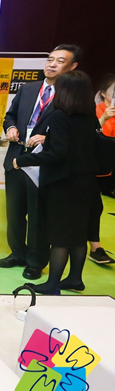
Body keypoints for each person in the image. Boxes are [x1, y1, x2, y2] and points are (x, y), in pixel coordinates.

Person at [0, 45, 81, 280]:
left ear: (72, 66)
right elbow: (10, 115)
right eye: (50, 59)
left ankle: (35, 261)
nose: (52, 64)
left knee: (37, 215)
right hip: (16, 158)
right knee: (14, 212)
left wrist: (48, 138)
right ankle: (17, 253)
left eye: (59, 61)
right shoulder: (28, 88)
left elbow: (73, 131)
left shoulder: (71, 96)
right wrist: (11, 127)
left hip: (44, 164)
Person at [13, 71, 100, 294]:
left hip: (64, 185)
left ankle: (52, 283)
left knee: (59, 237)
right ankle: (75, 279)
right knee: (78, 235)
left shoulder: (60, 117)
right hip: (86, 182)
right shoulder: (89, 116)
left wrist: (23, 160)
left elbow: (58, 153)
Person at [88, 73, 115, 265]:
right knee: (95, 206)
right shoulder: (95, 110)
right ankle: (95, 248)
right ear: (104, 93)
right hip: (96, 168)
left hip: (111, 169)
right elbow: (89, 136)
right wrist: (105, 117)